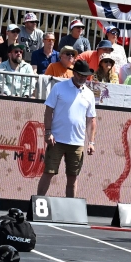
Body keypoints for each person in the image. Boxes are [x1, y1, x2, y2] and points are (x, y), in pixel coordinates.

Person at [39, 59, 96, 198]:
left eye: (85, 75)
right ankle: (37, 204)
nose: (83, 78)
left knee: (73, 177)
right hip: (56, 140)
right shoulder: (59, 87)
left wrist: (91, 142)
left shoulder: (89, 94)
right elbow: (48, 111)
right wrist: (48, 132)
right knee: (49, 172)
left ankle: (70, 209)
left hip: (77, 143)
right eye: (81, 74)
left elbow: (91, 119)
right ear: (74, 73)